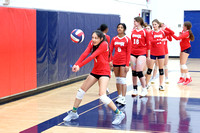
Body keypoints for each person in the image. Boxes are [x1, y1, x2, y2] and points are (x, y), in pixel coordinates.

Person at [63, 30, 125, 125]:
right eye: (92, 37)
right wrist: (76, 64)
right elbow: (85, 53)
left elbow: (92, 56)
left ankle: (119, 114)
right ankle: (74, 113)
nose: (94, 40)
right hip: (95, 71)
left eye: (96, 38)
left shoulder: (104, 44)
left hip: (104, 72)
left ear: (101, 39)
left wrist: (80, 66)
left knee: (102, 96)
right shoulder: (92, 43)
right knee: (81, 91)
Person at [145, 19, 173, 91]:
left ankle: (161, 85)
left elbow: (172, 32)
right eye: (153, 24)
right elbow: (151, 41)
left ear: (158, 25)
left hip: (161, 52)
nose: (154, 26)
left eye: (155, 24)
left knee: (161, 69)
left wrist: (165, 27)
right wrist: (160, 40)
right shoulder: (151, 32)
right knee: (149, 70)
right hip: (153, 53)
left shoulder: (162, 32)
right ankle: (146, 84)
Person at [110, 23, 131, 105]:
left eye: (121, 27)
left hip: (123, 61)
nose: (119, 29)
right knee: (118, 79)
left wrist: (127, 65)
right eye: (118, 27)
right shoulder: (114, 39)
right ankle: (119, 96)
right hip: (115, 61)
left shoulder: (127, 39)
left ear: (124, 29)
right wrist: (110, 60)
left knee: (123, 80)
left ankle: (123, 97)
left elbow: (129, 52)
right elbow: (110, 50)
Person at [130, 17, 150, 97]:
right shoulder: (133, 31)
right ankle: (135, 89)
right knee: (134, 72)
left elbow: (148, 45)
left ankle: (144, 88)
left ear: (139, 22)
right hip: (133, 53)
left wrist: (148, 56)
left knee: (139, 71)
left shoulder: (145, 32)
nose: (134, 22)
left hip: (141, 53)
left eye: (135, 21)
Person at [98, 24, 111, 94]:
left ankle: (101, 88)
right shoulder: (107, 37)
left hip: (97, 56)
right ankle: (105, 88)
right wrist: (110, 59)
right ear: (106, 29)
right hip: (104, 56)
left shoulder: (97, 36)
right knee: (105, 73)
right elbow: (108, 48)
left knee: (98, 73)